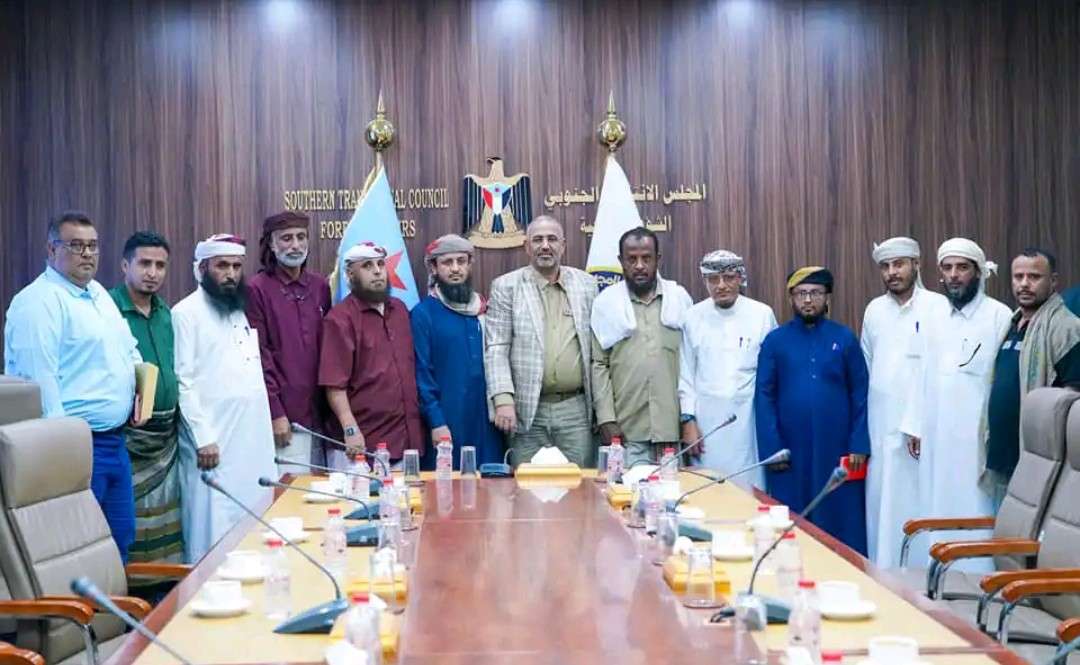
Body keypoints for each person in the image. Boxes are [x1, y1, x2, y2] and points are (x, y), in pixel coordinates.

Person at [4, 211, 144, 561]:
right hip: (75, 448)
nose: (87, 254)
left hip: (115, 442)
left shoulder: (98, 294)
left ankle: (113, 600)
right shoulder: (38, 302)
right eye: (76, 245)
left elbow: (129, 349)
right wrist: (64, 458)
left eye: (93, 246)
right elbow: (40, 385)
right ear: (52, 250)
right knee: (78, 549)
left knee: (120, 538)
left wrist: (141, 392)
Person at [907, 238, 1012, 570]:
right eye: (948, 268)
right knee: (936, 502)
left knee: (975, 502)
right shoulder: (933, 315)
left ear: (978, 272)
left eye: (962, 268)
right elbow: (921, 372)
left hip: (976, 439)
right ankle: (937, 576)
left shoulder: (999, 316)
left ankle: (977, 577)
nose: (954, 275)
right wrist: (915, 424)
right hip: (937, 434)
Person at [173, 234, 277, 562]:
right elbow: (183, 381)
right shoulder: (185, 313)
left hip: (251, 440)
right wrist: (203, 437)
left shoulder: (238, 310)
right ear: (202, 268)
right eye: (222, 266)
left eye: (236, 266)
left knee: (254, 518)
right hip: (213, 443)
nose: (231, 274)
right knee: (213, 525)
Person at [755, 266, 870, 553]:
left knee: (840, 518)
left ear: (827, 297)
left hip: (837, 449)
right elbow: (764, 396)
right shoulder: (775, 341)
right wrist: (772, 448)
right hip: (789, 451)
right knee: (792, 519)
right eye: (801, 294)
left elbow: (860, 393)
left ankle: (845, 571)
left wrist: (859, 444)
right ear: (791, 298)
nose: (808, 300)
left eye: (816, 293)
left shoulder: (844, 338)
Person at [860, 237, 947, 568]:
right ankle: (882, 574)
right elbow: (868, 366)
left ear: (916, 264)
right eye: (885, 266)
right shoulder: (874, 310)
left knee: (920, 500)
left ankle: (922, 576)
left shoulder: (938, 307)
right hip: (881, 425)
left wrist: (920, 421)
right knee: (882, 504)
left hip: (924, 427)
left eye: (899, 264)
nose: (892, 272)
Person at [485, 216, 598, 466]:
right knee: (525, 485)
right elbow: (496, 348)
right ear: (527, 247)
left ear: (563, 246)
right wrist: (503, 400)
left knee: (579, 484)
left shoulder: (587, 285)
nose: (545, 246)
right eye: (537, 240)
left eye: (552, 239)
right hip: (526, 409)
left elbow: (597, 353)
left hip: (575, 410)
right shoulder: (506, 286)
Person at [109, 231, 184, 565]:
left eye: (160, 265)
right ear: (125, 265)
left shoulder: (168, 315)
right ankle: (130, 589)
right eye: (144, 264)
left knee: (166, 521)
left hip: (166, 441)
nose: (153, 273)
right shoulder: (107, 311)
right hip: (128, 438)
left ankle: (163, 588)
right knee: (128, 521)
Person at [983, 248, 1080, 500]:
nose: (1024, 284)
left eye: (1034, 277)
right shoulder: (1011, 324)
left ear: (1053, 281)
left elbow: (1074, 397)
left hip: (1040, 465)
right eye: (1018, 276)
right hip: (1004, 461)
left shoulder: (1066, 328)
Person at [590, 227, 692, 466]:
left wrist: (689, 418)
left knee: (672, 490)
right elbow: (599, 365)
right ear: (621, 261)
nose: (639, 266)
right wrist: (606, 418)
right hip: (625, 433)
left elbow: (692, 363)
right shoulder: (605, 305)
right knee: (623, 490)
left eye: (646, 258)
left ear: (658, 259)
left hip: (671, 431)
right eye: (632, 259)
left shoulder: (680, 300)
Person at [678, 249, 777, 487]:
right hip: (707, 423)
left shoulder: (762, 314)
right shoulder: (692, 317)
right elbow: (685, 374)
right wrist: (688, 420)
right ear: (705, 281)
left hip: (748, 423)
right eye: (713, 279)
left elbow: (774, 375)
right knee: (707, 489)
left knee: (749, 489)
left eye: (728, 278)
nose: (721, 285)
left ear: (740, 278)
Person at [319, 242, 423, 465]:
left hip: (405, 442)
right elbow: (334, 386)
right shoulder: (340, 319)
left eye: (380, 264)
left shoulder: (400, 310)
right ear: (350, 274)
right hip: (360, 445)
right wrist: (350, 429)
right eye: (367, 266)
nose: (377, 271)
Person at [246, 211, 331, 474]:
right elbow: (259, 355)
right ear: (271, 245)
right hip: (286, 418)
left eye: (301, 237)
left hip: (323, 418)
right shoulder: (256, 289)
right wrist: (275, 412)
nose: (295, 245)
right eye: (286, 239)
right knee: (291, 493)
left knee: (325, 492)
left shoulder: (320, 286)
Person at [410, 234, 503, 468]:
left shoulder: (485, 309)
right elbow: (421, 374)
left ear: (470, 264)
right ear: (434, 268)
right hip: (447, 422)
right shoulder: (423, 314)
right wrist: (436, 421)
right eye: (447, 262)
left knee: (490, 483)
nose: (455, 269)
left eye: (461, 261)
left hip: (488, 422)